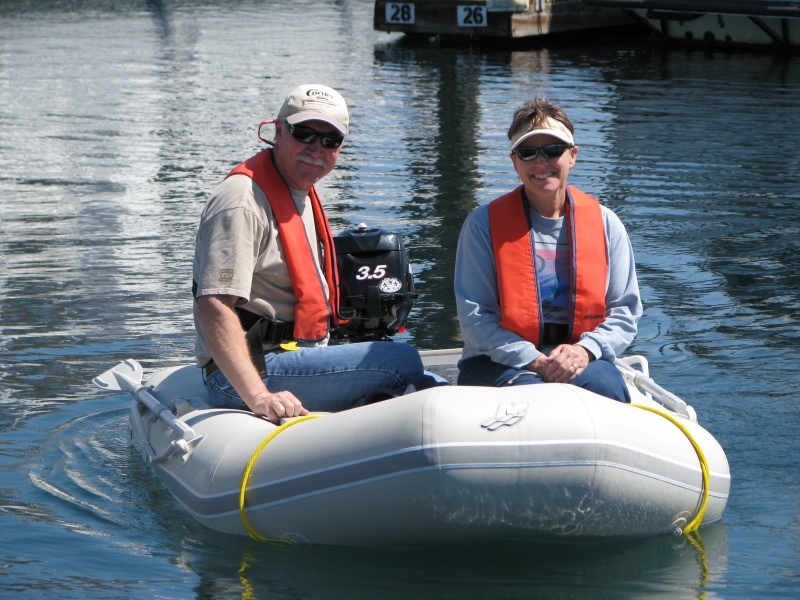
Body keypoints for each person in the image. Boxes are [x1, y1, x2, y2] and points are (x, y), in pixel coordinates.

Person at [193, 84, 441, 423]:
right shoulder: (241, 202)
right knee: (403, 361)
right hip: (247, 373)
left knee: (417, 374)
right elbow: (213, 306)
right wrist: (259, 396)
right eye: (305, 134)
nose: (316, 149)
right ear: (278, 131)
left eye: (330, 141)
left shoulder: (299, 191)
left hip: (294, 353)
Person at [454, 98, 642, 402]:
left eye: (553, 150)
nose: (541, 163)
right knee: (532, 400)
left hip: (581, 360)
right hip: (497, 362)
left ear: (572, 156)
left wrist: (584, 350)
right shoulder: (482, 226)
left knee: (608, 389)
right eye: (528, 153)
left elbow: (624, 311)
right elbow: (476, 321)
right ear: (515, 161)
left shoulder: (607, 224)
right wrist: (538, 363)